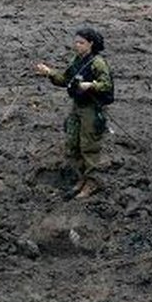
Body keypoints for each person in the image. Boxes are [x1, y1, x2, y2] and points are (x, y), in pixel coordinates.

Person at [35, 27, 114, 199]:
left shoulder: (97, 62)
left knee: (89, 145)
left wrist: (91, 85)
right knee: (74, 142)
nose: (77, 45)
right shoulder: (77, 60)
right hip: (77, 106)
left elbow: (107, 85)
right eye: (76, 42)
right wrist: (49, 73)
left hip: (92, 109)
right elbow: (65, 79)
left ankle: (92, 182)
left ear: (91, 44)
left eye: (81, 43)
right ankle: (81, 179)